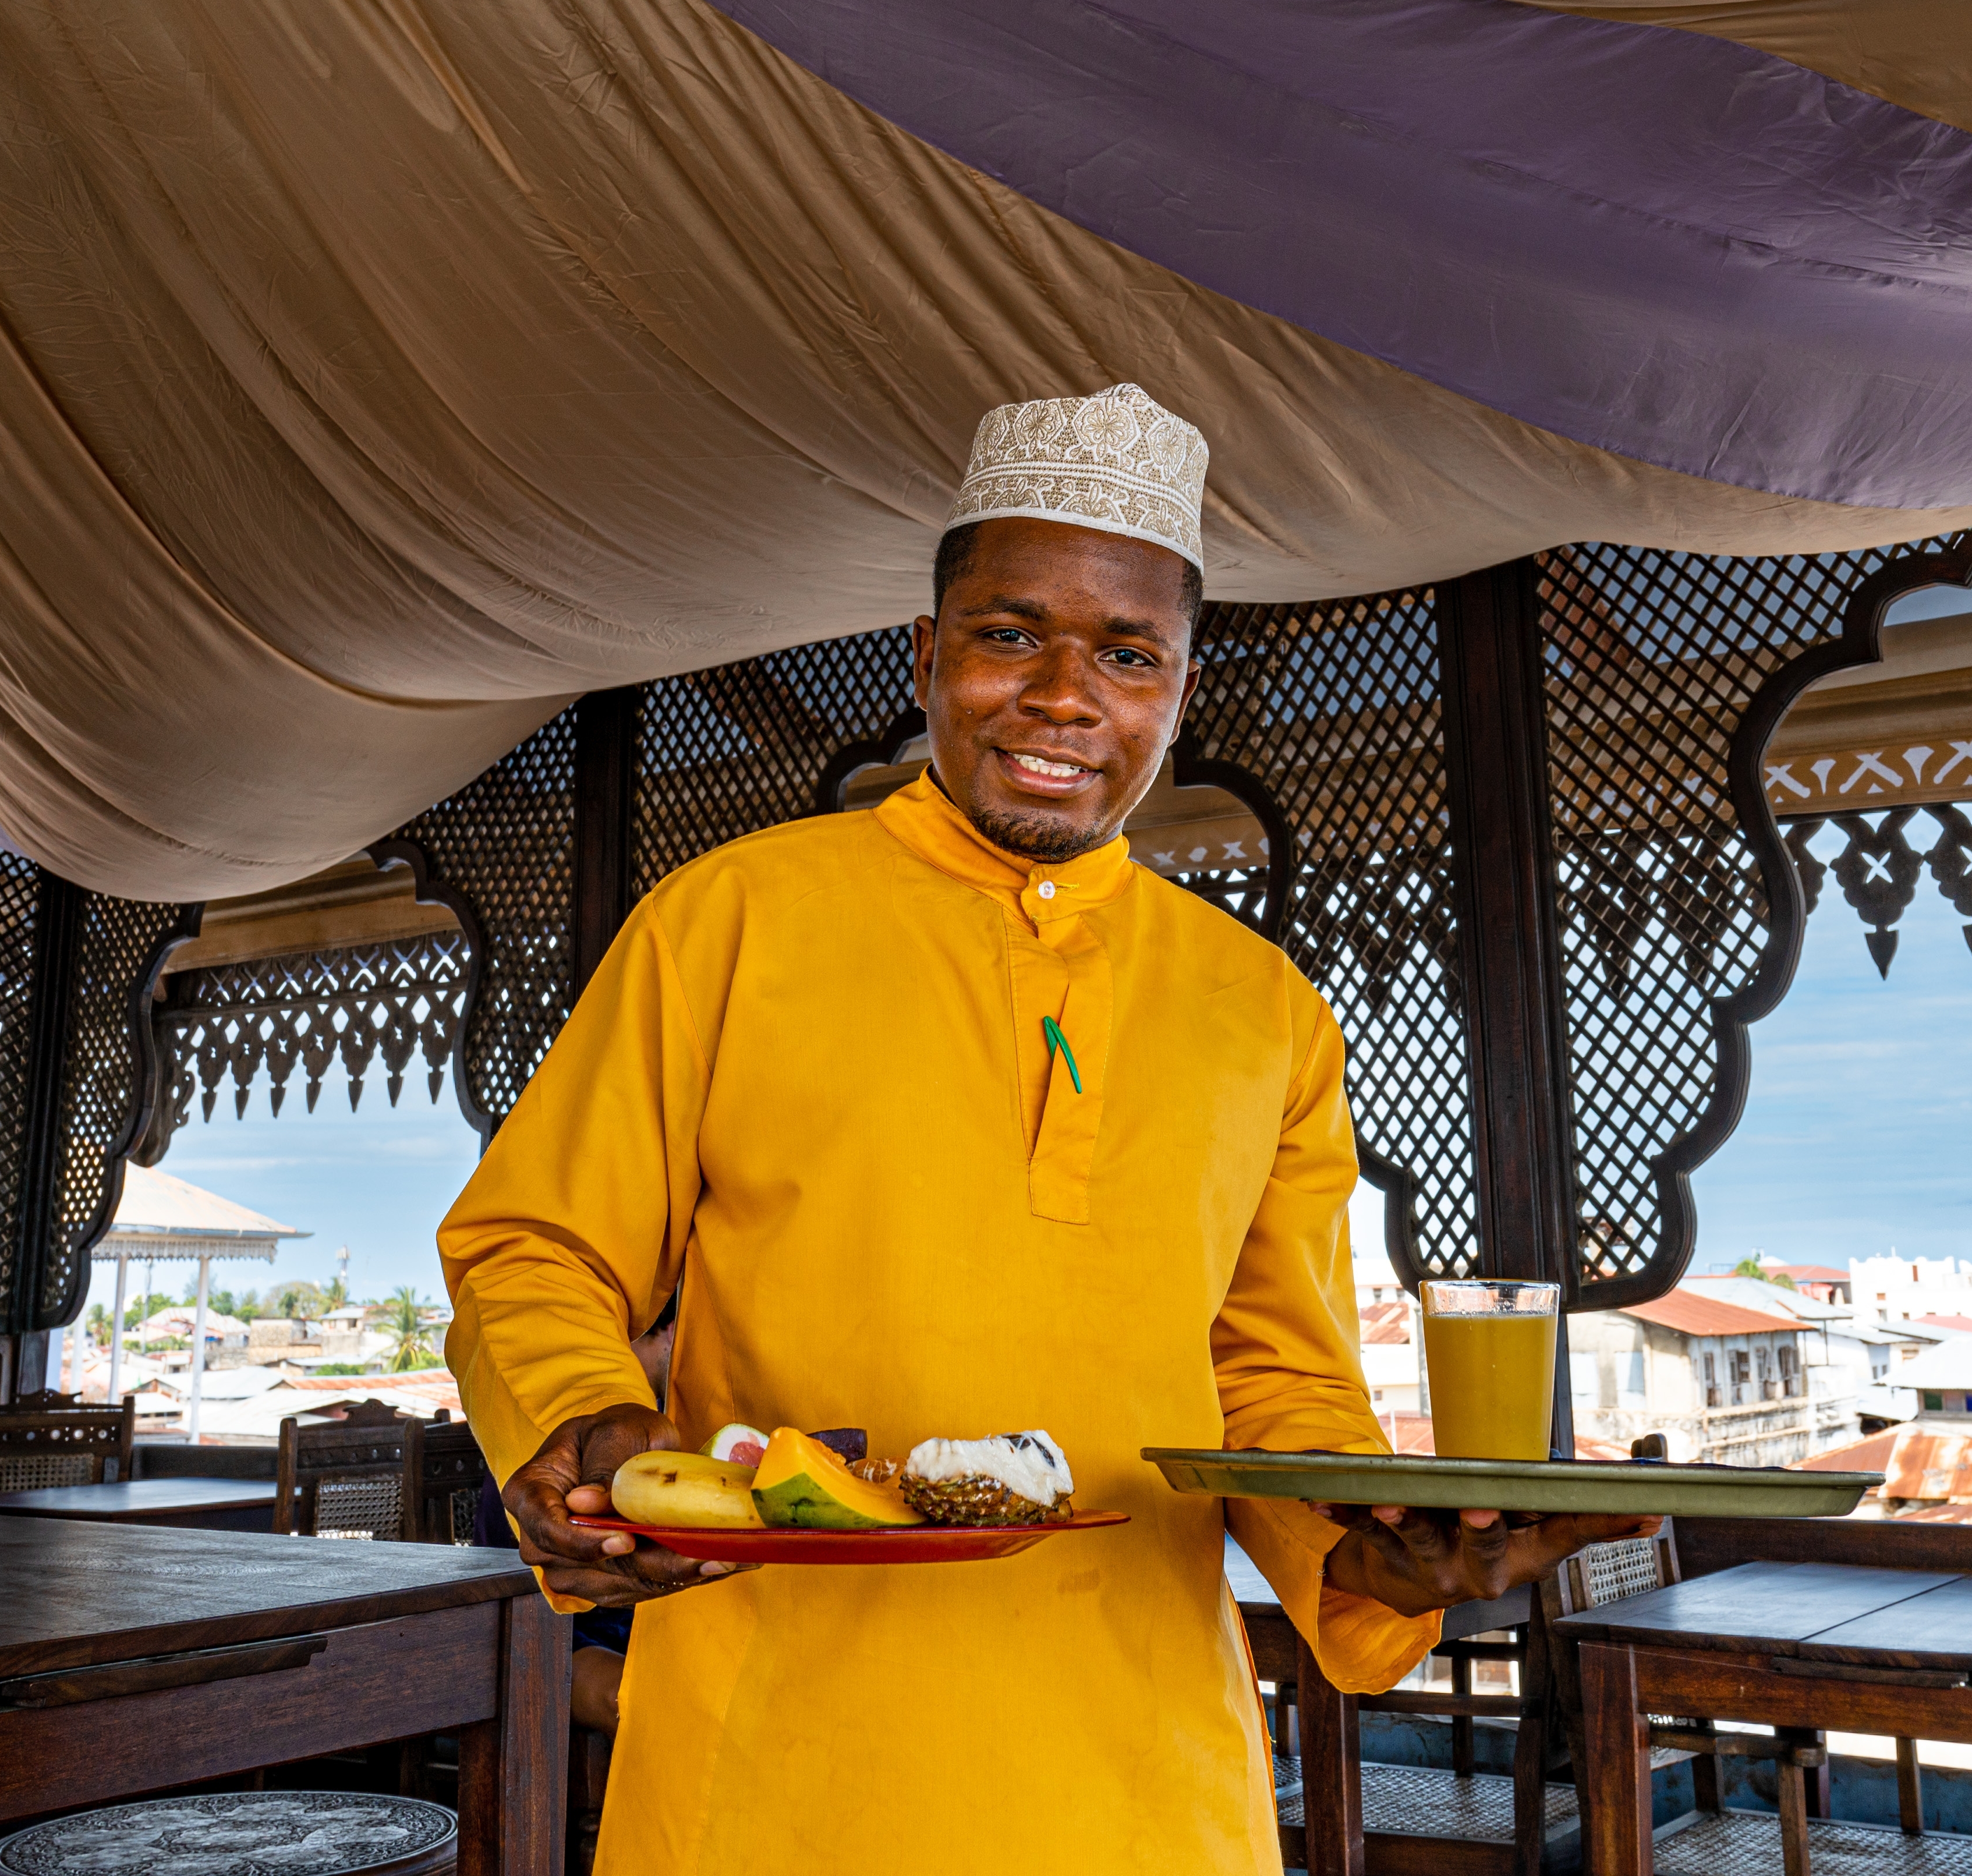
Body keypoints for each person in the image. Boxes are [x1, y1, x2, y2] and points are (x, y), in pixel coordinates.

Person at [440, 383, 1637, 1873]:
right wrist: (584, 1429)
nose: (1067, 694)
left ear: (1175, 693)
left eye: (1127, 654)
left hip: (1147, 1771)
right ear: (931, 657)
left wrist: (1376, 1549)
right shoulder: (729, 917)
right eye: (1013, 634)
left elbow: (1274, 1370)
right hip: (773, 1765)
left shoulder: (1264, 1008)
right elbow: (534, 1240)